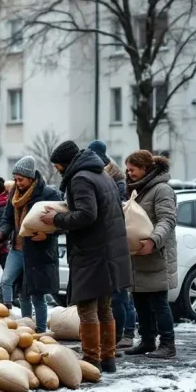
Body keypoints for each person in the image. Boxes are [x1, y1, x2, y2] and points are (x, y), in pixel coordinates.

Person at [41, 140, 132, 373]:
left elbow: (87, 214)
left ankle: (92, 358)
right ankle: (108, 358)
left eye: (58, 165)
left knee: (87, 307)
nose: (57, 170)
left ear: (65, 163)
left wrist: (57, 220)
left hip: (92, 252)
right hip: (109, 250)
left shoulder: (81, 178)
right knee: (105, 307)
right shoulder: (102, 175)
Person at [0, 157, 60, 333]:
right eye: (15, 179)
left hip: (39, 251)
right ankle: (18, 323)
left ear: (30, 178)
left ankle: (41, 331)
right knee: (9, 283)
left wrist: (47, 234)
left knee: (36, 294)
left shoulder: (48, 194)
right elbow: (7, 219)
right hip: (17, 248)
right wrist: (1, 233)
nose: (17, 182)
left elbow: (61, 222)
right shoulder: (14, 194)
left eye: (20, 179)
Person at [124, 151, 178, 359]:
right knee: (140, 302)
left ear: (145, 168)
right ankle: (147, 341)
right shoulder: (137, 190)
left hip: (156, 254)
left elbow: (167, 220)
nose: (129, 174)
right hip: (138, 256)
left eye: (133, 169)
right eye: (128, 170)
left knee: (158, 303)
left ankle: (167, 344)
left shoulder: (161, 190)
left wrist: (154, 241)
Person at [87, 140, 136, 348]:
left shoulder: (115, 178)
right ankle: (117, 336)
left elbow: (115, 205)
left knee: (120, 294)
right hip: (109, 241)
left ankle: (126, 334)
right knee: (116, 294)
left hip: (116, 240)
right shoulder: (108, 176)